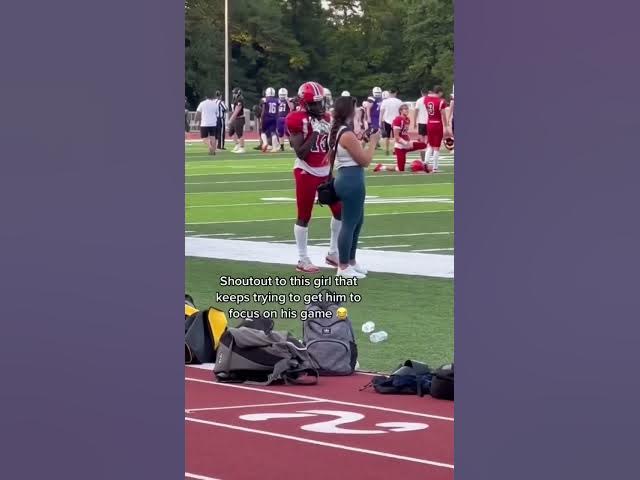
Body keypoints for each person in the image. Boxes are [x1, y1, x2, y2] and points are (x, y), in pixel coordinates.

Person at [286, 81, 342, 273]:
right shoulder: (295, 118)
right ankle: (302, 259)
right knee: (304, 215)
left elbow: (329, 149)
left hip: (324, 171)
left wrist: (330, 172)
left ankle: (333, 253)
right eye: (316, 103)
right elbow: (301, 153)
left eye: (322, 102)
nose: (321, 106)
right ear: (306, 103)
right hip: (306, 171)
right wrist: (315, 132)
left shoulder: (326, 117)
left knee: (340, 211)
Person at [330, 97, 380, 278]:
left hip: (346, 177)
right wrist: (373, 142)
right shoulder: (347, 134)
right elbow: (365, 161)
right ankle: (343, 266)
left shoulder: (339, 131)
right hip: (351, 179)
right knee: (349, 223)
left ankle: (350, 261)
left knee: (356, 222)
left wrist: (364, 143)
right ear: (349, 111)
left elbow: (353, 155)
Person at [373, 103, 427, 173]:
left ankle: (424, 164)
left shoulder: (407, 119)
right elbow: (396, 137)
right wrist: (406, 143)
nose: (407, 110)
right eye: (405, 109)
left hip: (406, 144)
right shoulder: (398, 120)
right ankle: (382, 167)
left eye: (407, 109)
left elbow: (404, 133)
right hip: (400, 147)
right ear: (400, 111)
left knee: (424, 145)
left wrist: (411, 141)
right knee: (400, 169)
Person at [424, 86, 451, 172]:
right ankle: (435, 168)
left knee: (430, 144)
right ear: (439, 92)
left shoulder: (426, 99)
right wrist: (446, 126)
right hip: (437, 124)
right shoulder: (440, 101)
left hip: (429, 123)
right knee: (436, 147)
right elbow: (443, 115)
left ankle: (426, 162)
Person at [379, 88, 402, 155]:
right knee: (396, 136)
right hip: (396, 121)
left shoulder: (385, 101)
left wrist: (380, 121)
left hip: (387, 120)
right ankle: (395, 150)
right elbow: (401, 112)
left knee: (387, 136)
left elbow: (381, 112)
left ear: (389, 93)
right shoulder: (399, 101)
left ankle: (387, 150)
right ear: (395, 93)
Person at [227, 87, 246, 153]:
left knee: (239, 134)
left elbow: (237, 110)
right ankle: (237, 145)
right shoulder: (234, 99)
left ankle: (242, 148)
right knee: (230, 132)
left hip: (239, 118)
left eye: (234, 93)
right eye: (233, 93)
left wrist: (231, 119)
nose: (233, 94)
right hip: (235, 118)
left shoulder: (240, 99)